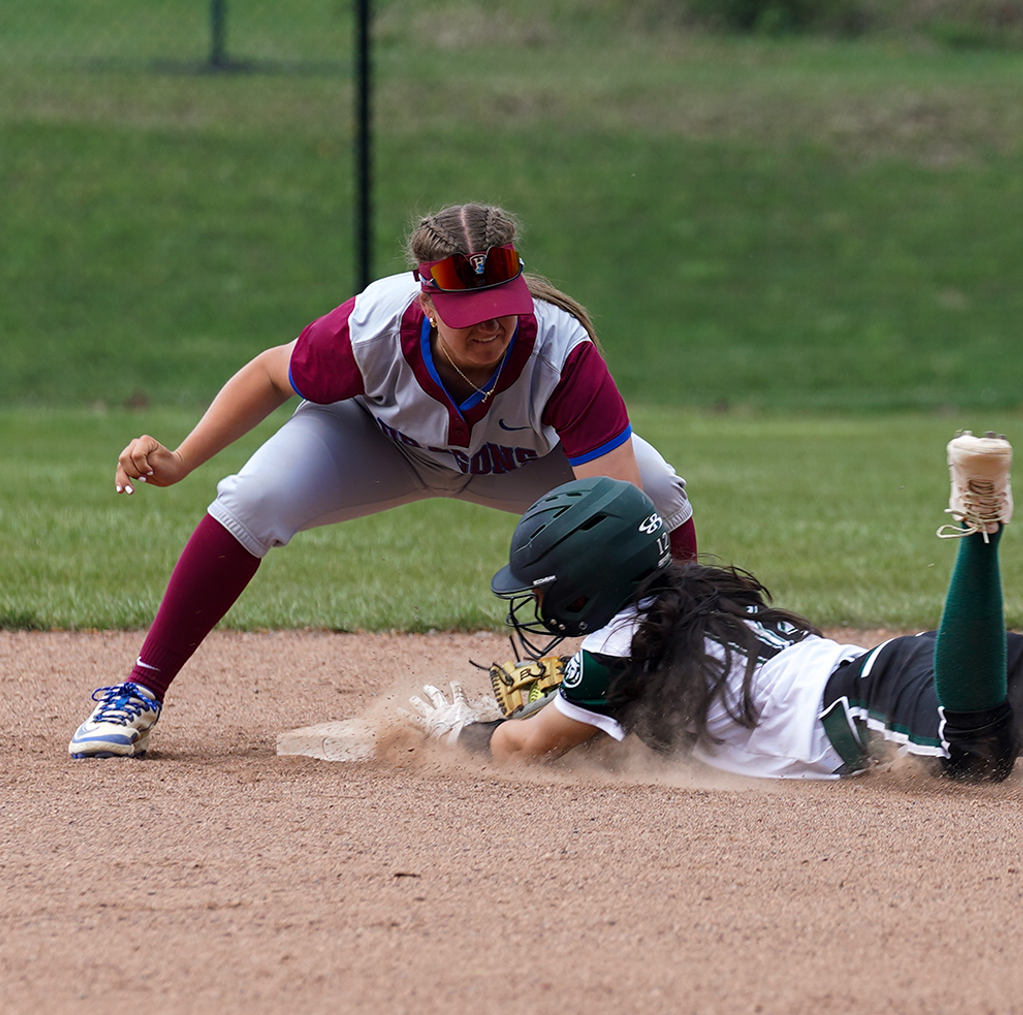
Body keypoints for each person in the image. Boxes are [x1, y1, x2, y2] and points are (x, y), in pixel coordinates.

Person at [411, 347, 1023, 781]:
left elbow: (526, 750)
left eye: (544, 595)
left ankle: (978, 529)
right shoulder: (692, 598)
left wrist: (459, 730)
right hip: (916, 665)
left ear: (584, 588)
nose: (539, 611)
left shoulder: (616, 655)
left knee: (976, 754)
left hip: (901, 701)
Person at [70, 202, 697, 759]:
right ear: (425, 303)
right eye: (468, 312)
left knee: (658, 496)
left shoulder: (562, 351)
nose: (490, 326)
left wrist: (600, 656)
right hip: (378, 446)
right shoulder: (371, 325)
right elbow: (269, 375)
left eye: (502, 307)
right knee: (252, 499)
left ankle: (675, 681)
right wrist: (180, 461)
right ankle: (138, 691)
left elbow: (624, 514)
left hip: (519, 462)